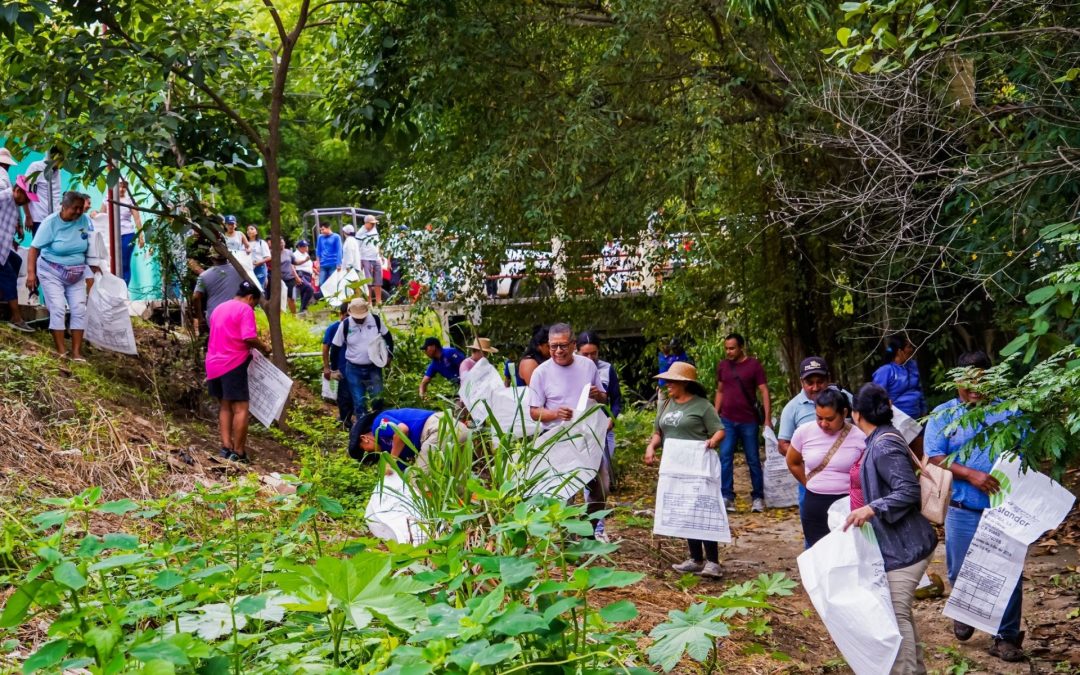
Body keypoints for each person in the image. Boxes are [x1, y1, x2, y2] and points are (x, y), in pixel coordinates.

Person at [925, 351, 1025, 663]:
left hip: (1003, 510)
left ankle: (1006, 637)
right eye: (966, 381)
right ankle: (966, 610)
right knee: (959, 569)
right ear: (956, 381)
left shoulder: (1010, 413)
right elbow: (934, 455)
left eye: (980, 380)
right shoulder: (943, 415)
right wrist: (971, 474)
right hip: (962, 508)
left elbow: (1028, 451)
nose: (972, 387)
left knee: (1009, 573)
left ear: (991, 379)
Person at [844, 383, 936, 675]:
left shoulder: (883, 444)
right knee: (900, 614)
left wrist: (871, 508)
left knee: (896, 615)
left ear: (856, 414)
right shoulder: (882, 438)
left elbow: (908, 490)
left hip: (908, 546)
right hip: (900, 543)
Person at [643, 361, 726, 578]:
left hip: (696, 464)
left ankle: (713, 561)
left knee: (701, 507)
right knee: (684, 508)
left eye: (672, 381)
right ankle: (695, 558)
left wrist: (712, 442)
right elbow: (658, 432)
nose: (667, 384)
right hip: (675, 465)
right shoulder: (667, 404)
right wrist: (651, 447)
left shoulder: (702, 406)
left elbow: (719, 431)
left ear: (684, 383)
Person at [528, 323, 608, 529]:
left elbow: (604, 399)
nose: (558, 351)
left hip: (587, 436)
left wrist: (598, 395)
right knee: (565, 493)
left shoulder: (587, 365)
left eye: (563, 346)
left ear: (573, 344)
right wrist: (555, 413)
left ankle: (589, 531)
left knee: (600, 488)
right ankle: (568, 540)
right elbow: (534, 411)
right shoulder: (541, 372)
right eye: (553, 346)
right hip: (558, 437)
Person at [786, 386, 865, 547]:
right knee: (818, 553)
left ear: (844, 413)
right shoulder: (804, 432)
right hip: (814, 502)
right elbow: (793, 461)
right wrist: (809, 483)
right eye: (818, 417)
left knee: (847, 553)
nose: (823, 424)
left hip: (847, 504)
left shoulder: (860, 436)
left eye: (829, 419)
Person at [26, 191, 99, 360]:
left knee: (79, 310)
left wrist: (93, 267)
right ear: (64, 207)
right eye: (75, 208)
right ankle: (61, 352)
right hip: (52, 271)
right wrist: (31, 274)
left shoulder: (84, 220)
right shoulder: (50, 223)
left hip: (77, 272)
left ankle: (76, 353)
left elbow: (92, 244)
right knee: (58, 308)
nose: (79, 212)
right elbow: (33, 249)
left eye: (81, 208)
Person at [206, 281, 269, 464]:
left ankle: (226, 447)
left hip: (213, 363)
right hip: (232, 362)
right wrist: (264, 347)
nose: (253, 308)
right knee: (241, 408)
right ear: (250, 298)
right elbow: (248, 337)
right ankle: (239, 452)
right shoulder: (245, 310)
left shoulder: (219, 308)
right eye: (254, 304)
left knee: (225, 406)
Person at [713, 333, 771, 513]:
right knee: (725, 457)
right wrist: (715, 416)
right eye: (726, 348)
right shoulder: (723, 366)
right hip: (727, 420)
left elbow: (764, 391)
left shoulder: (753, 365)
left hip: (749, 421)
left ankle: (758, 497)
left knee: (753, 459)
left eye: (732, 348)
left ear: (741, 347)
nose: (729, 352)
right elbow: (720, 391)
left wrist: (767, 419)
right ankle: (727, 496)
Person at [577, 330, 622, 540]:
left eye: (593, 353)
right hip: (580, 431)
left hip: (603, 429)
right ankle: (589, 529)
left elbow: (616, 399)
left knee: (601, 479)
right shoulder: (571, 369)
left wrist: (613, 416)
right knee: (589, 477)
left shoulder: (606, 369)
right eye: (585, 354)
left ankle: (598, 528)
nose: (590, 358)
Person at [348, 407, 469, 474]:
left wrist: (392, 461)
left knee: (418, 481)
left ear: (364, 438)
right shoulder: (388, 447)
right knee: (457, 480)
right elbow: (401, 472)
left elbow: (402, 429)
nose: (370, 454)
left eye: (366, 451)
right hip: (456, 431)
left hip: (439, 429)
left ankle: (426, 518)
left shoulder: (378, 425)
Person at [332, 297, 394, 415]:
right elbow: (335, 347)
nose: (360, 320)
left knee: (378, 398)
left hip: (373, 367)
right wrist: (334, 369)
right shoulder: (345, 325)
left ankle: (376, 424)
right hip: (353, 368)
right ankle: (362, 428)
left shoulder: (375, 320)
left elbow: (388, 337)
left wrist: (389, 356)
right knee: (359, 401)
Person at [0, 175, 36, 332]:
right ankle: (16, 318)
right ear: (17, 190)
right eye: (26, 198)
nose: (27, 202)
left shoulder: (15, 204)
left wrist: (12, 240)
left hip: (4, 246)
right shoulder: (3, 197)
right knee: (8, 275)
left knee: (16, 262)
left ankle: (4, 299)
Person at [873, 333, 926, 420]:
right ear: (899, 351)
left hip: (918, 418)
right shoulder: (885, 371)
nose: (912, 349)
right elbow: (878, 398)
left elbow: (919, 389)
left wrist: (924, 410)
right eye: (909, 347)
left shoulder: (913, 365)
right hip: (896, 420)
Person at [192, 253, 244, 334]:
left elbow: (196, 297)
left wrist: (200, 318)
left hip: (215, 317)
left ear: (212, 258)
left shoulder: (204, 276)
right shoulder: (240, 270)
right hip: (237, 315)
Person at [323, 302, 354, 429]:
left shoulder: (355, 327)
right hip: (340, 368)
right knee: (343, 396)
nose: (348, 319)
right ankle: (344, 420)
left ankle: (347, 419)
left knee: (353, 395)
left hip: (354, 367)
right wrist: (327, 367)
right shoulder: (333, 328)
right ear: (340, 315)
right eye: (346, 316)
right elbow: (325, 348)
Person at [26, 147, 64, 233]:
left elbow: (56, 195)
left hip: (56, 219)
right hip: (39, 219)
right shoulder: (36, 167)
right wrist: (28, 216)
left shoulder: (58, 171)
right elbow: (26, 192)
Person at [116, 180, 144, 285]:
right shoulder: (107, 199)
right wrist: (94, 213)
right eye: (120, 186)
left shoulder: (130, 200)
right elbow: (102, 215)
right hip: (112, 235)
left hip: (128, 235)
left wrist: (141, 237)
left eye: (124, 187)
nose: (122, 189)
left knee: (124, 263)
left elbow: (137, 219)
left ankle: (124, 290)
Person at [357, 214, 382, 305]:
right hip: (365, 258)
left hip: (376, 258)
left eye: (373, 223)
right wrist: (360, 261)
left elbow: (377, 244)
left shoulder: (374, 230)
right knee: (368, 282)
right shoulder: (360, 233)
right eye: (371, 223)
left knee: (378, 281)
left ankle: (379, 301)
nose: (373, 225)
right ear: (366, 223)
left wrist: (380, 256)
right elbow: (357, 248)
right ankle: (369, 301)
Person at [657, 338, 691, 403]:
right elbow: (664, 370)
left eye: (675, 348)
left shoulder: (685, 357)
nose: (673, 350)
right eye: (672, 348)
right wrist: (660, 384)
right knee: (662, 406)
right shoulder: (671, 357)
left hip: (678, 387)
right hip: (665, 386)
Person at [292, 239, 315, 313]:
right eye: (304, 246)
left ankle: (302, 311)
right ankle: (303, 308)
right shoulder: (295, 255)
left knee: (304, 292)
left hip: (308, 275)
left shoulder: (306, 254)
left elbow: (309, 265)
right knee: (310, 289)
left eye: (306, 246)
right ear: (299, 247)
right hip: (300, 274)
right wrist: (296, 277)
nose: (306, 248)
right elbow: (293, 265)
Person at [277, 237, 297, 314]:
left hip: (290, 277)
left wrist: (305, 260)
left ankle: (294, 315)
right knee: (281, 298)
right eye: (279, 243)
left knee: (291, 298)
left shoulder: (289, 252)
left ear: (284, 243)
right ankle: (281, 314)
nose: (281, 244)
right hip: (279, 279)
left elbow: (294, 263)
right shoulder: (273, 253)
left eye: (282, 242)